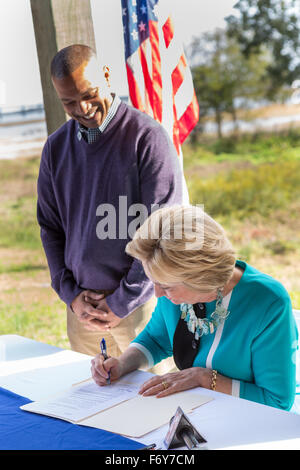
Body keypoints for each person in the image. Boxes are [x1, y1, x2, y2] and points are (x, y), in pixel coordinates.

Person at [37, 44, 182, 364]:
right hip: (81, 313)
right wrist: (71, 295)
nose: (83, 108)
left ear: (106, 75)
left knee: (151, 408)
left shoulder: (148, 138)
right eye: (69, 102)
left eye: (89, 94)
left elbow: (162, 233)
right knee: (91, 410)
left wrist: (121, 302)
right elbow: (50, 228)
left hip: (140, 310)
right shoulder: (55, 148)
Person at [91, 205, 298, 410]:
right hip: (194, 412)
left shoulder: (268, 303)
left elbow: (277, 401)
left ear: (201, 278)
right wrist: (122, 364)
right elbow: (156, 339)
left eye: (165, 286)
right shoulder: (173, 286)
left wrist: (205, 378)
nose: (157, 294)